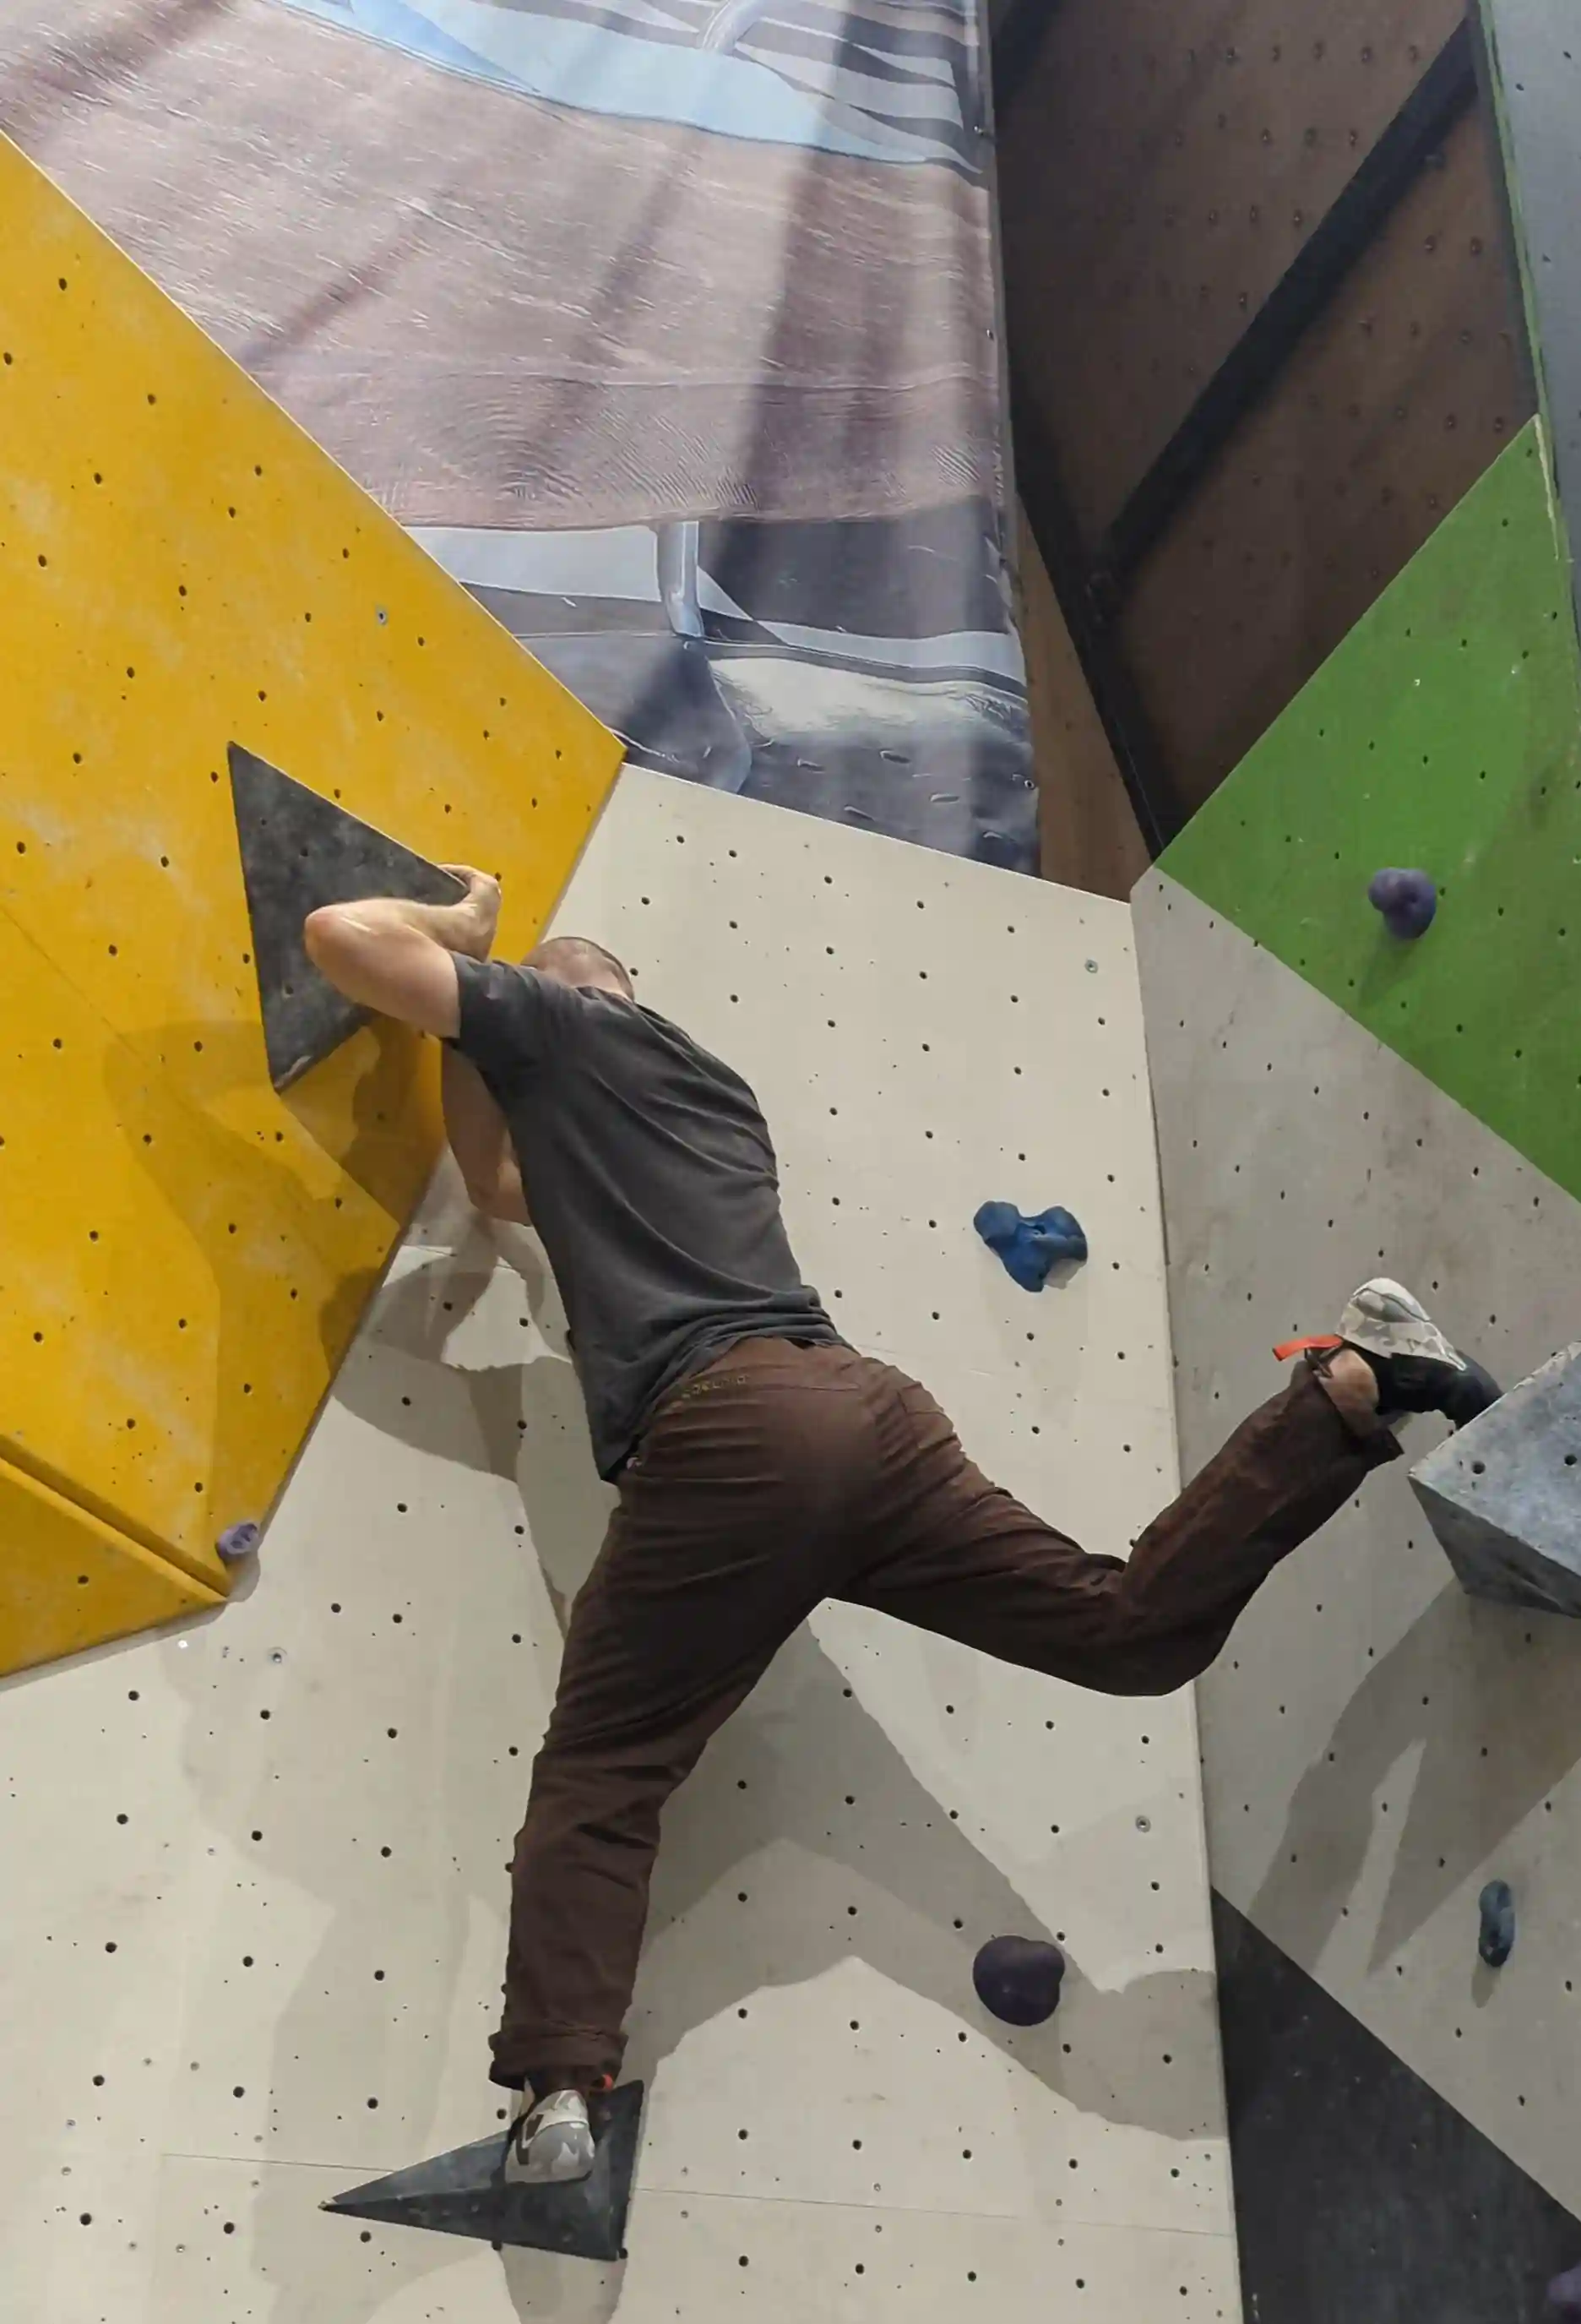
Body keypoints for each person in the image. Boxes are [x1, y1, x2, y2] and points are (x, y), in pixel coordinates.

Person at [304, 868, 1497, 2183]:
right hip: (861, 1414)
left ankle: (554, 2089)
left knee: (604, 1774)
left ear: (572, 994)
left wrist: (463, 943)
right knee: (1122, 1630)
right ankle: (1356, 1386)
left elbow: (340, 939)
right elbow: (499, 1187)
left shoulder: (574, 1021)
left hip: (727, 1431)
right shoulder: (712, 1100)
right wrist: (463, 1040)